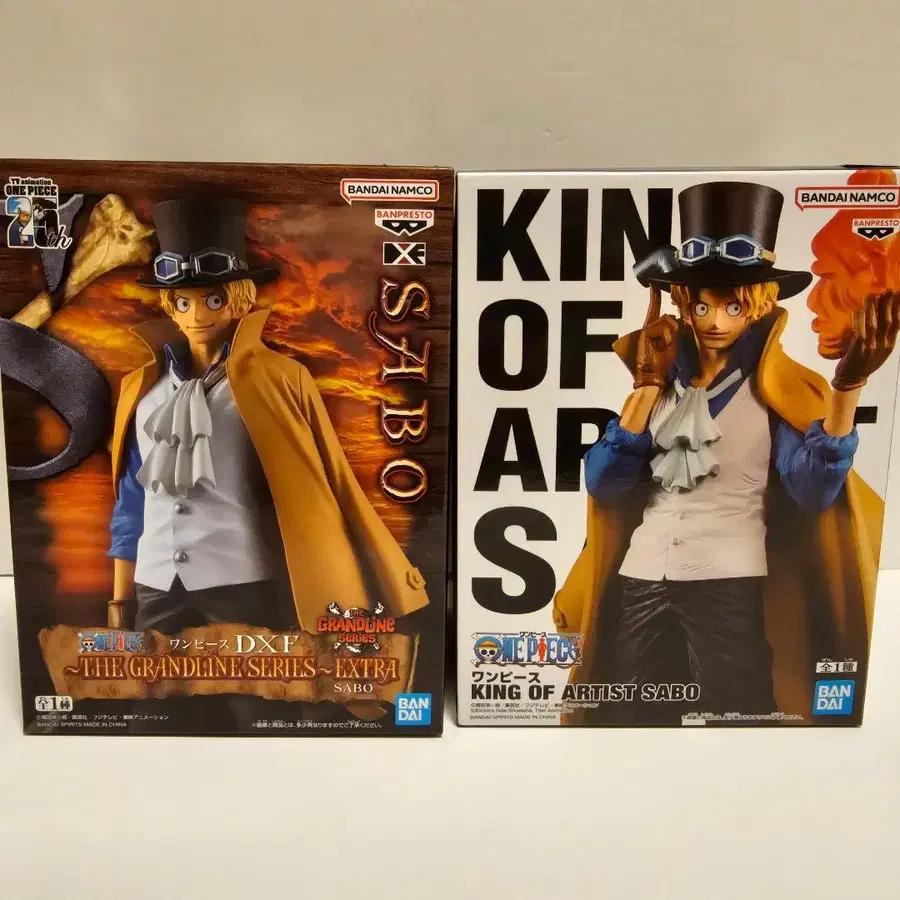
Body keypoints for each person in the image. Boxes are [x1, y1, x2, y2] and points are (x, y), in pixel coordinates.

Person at [554, 181, 892, 725]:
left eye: (734, 306)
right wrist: (645, 386)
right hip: (643, 572)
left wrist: (846, 389)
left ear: (756, 307)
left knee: (740, 709)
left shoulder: (775, 391)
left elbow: (812, 490)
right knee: (623, 707)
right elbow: (604, 482)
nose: (715, 321)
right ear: (683, 305)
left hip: (727, 576)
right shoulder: (661, 382)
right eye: (702, 305)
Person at [108, 196, 429, 637]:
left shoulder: (280, 378)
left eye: (213, 299)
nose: (197, 315)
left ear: (239, 300)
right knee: (157, 683)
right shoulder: (142, 390)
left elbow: (322, 487)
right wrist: (120, 601)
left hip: (242, 582)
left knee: (256, 682)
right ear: (169, 305)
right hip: (156, 585)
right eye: (182, 302)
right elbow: (131, 503)